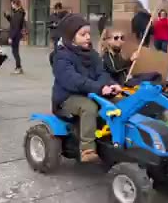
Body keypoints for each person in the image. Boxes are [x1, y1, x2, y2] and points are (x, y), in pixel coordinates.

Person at [52, 14, 121, 162]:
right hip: (68, 98)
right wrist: (98, 88)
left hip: (91, 91)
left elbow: (102, 72)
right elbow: (73, 81)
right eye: (83, 34)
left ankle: (116, 139)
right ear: (71, 37)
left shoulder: (92, 54)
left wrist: (109, 85)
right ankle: (87, 149)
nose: (88, 37)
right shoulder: (62, 57)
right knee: (88, 107)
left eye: (89, 33)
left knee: (117, 104)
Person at [5, 0, 26, 74]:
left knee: (15, 52)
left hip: (16, 35)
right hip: (16, 34)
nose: (11, 6)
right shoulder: (18, 13)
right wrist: (7, 16)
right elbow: (13, 22)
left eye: (12, 4)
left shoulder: (19, 13)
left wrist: (11, 37)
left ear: (15, 4)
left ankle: (18, 67)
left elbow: (16, 27)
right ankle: (19, 67)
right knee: (15, 51)